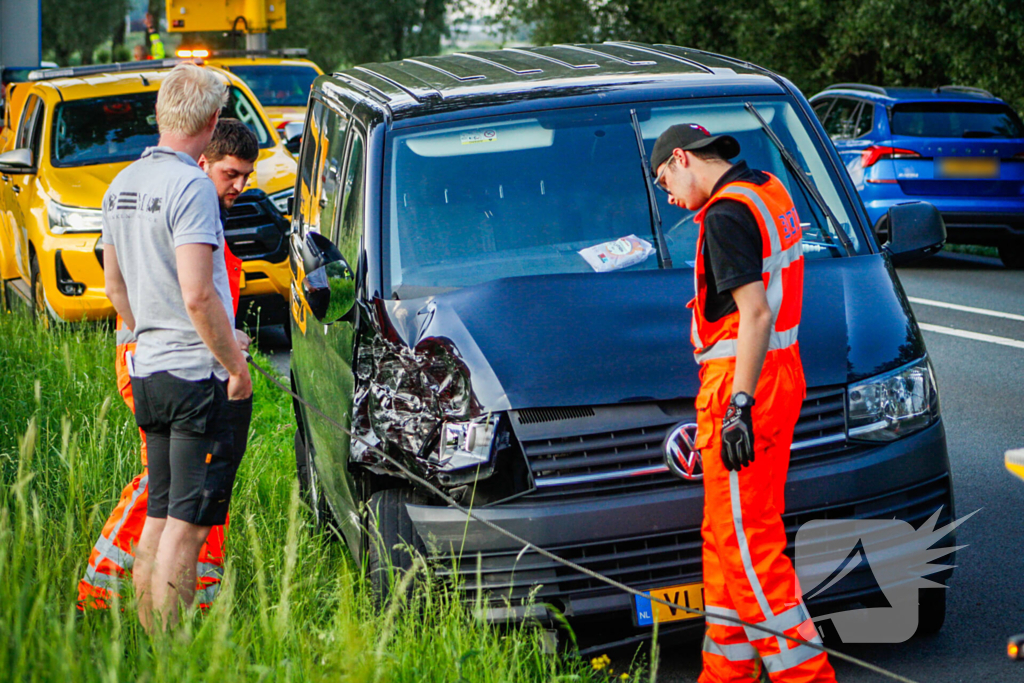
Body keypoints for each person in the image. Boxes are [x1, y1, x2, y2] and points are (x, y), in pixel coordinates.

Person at [651, 123, 836, 682]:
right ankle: (724, 674)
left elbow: (753, 314)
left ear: (682, 158)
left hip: (742, 383)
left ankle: (806, 676)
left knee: (749, 549)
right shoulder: (767, 192)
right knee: (726, 536)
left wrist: (737, 406)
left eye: (665, 180)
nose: (668, 195)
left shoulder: (727, 216)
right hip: (779, 376)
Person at [78, 119, 259, 613]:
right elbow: (190, 297)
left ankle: (188, 595)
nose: (239, 187)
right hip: (170, 365)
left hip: (171, 358)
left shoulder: (157, 194)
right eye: (230, 174)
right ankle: (104, 584)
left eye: (247, 175)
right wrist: (226, 360)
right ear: (203, 163)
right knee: (168, 496)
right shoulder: (188, 199)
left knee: (179, 498)